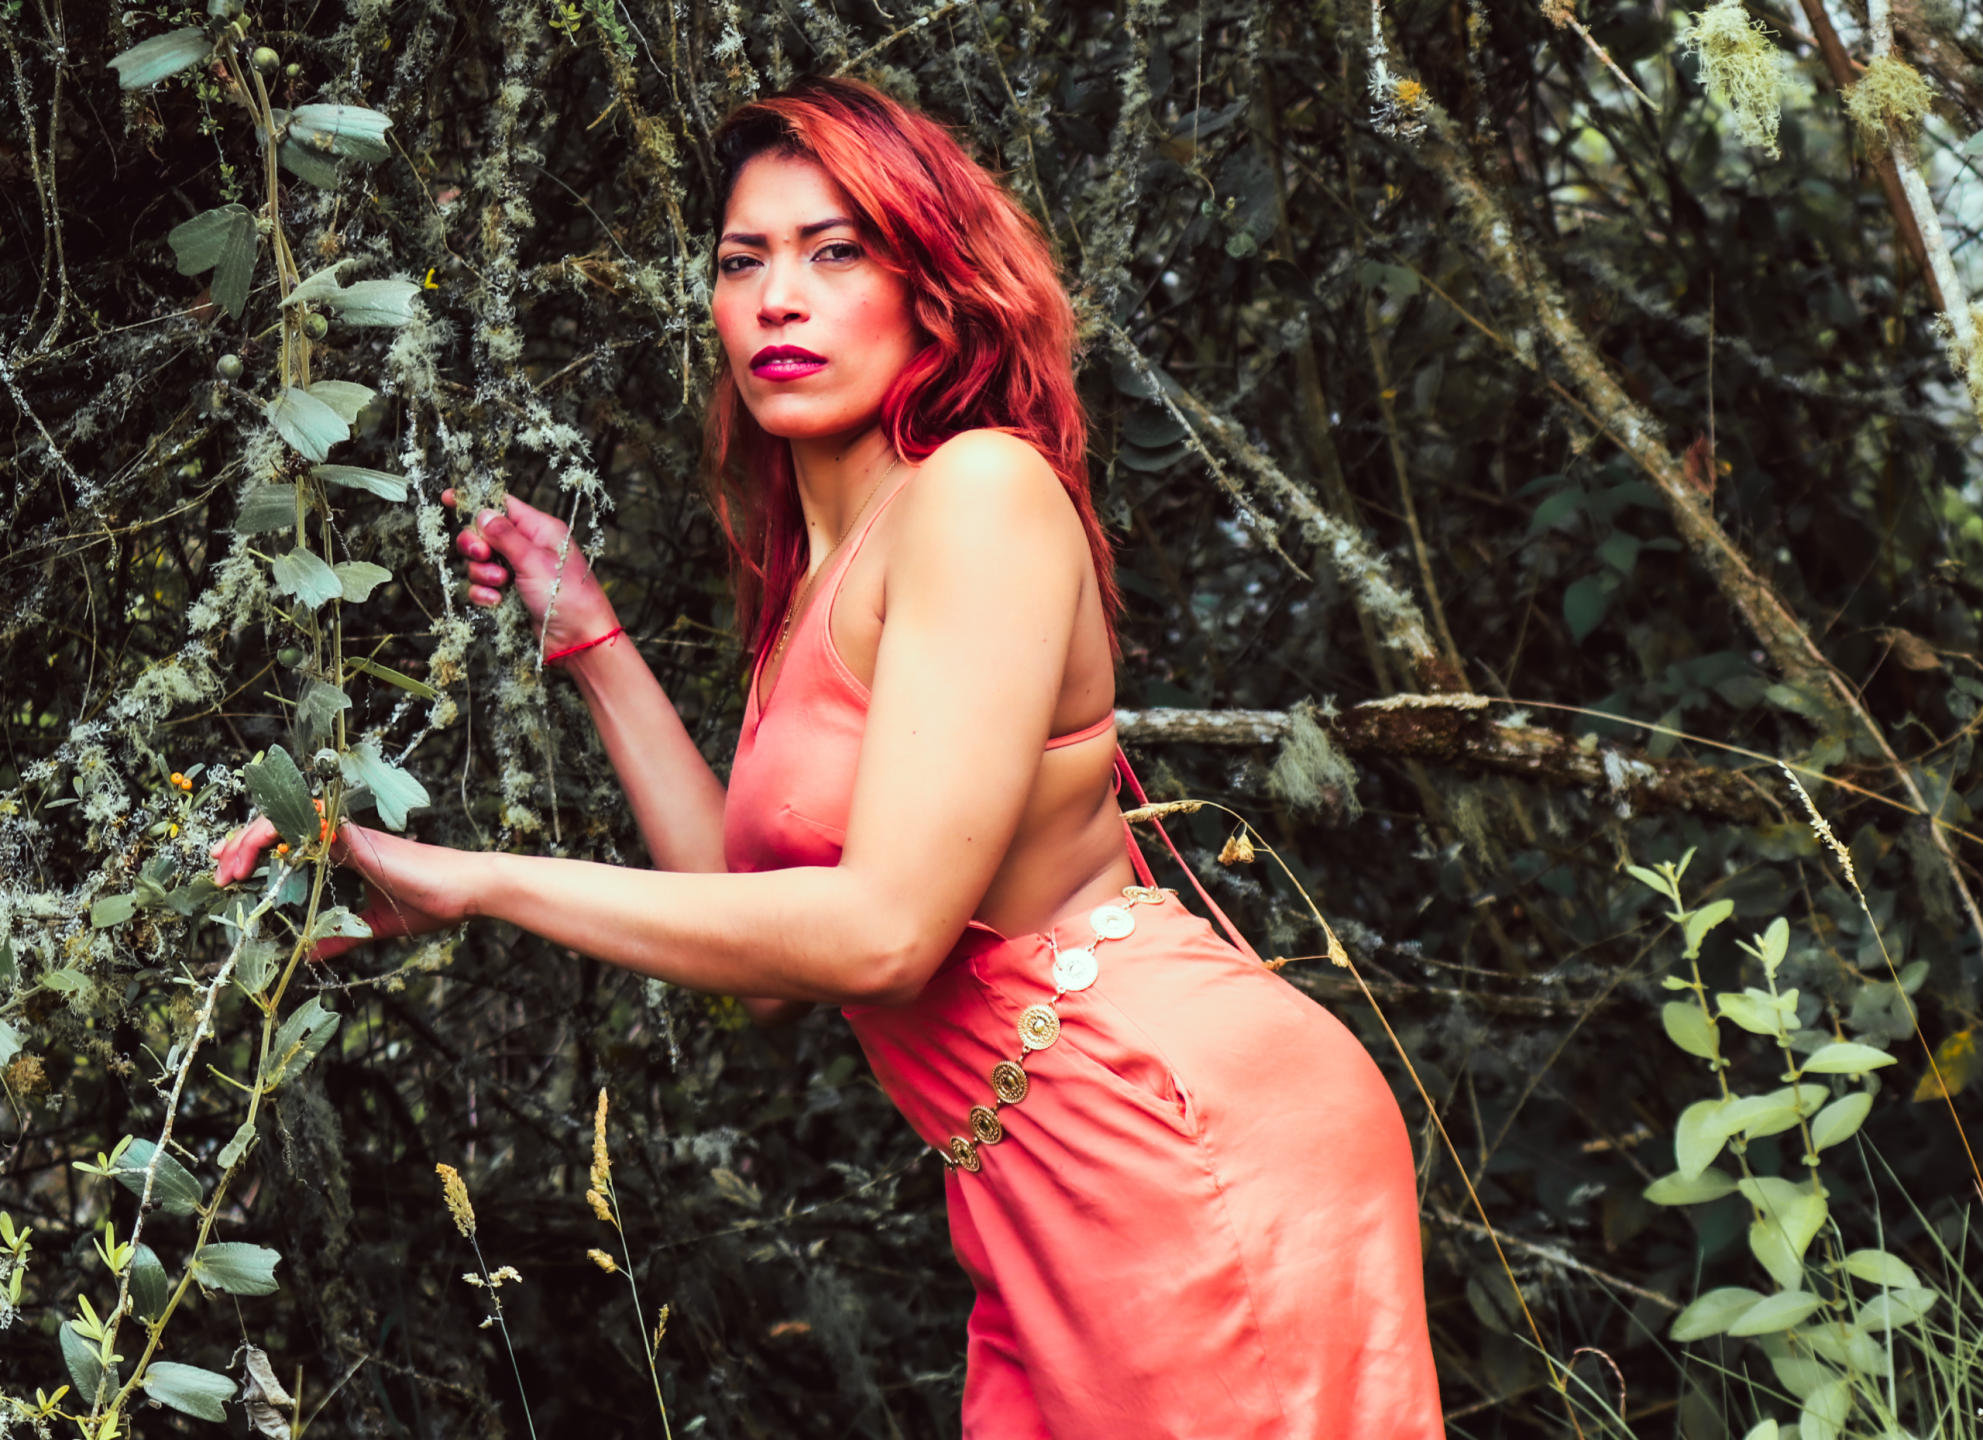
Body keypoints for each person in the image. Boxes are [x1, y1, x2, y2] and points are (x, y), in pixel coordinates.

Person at [212, 77, 1443, 1439]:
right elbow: (766, 960)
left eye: (835, 251)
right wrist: (591, 637)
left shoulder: (980, 494)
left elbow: (881, 938)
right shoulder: (819, 578)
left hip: (1174, 1131)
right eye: (744, 262)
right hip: (1028, 1172)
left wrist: (478, 879)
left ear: (932, 287)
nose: (778, 300)